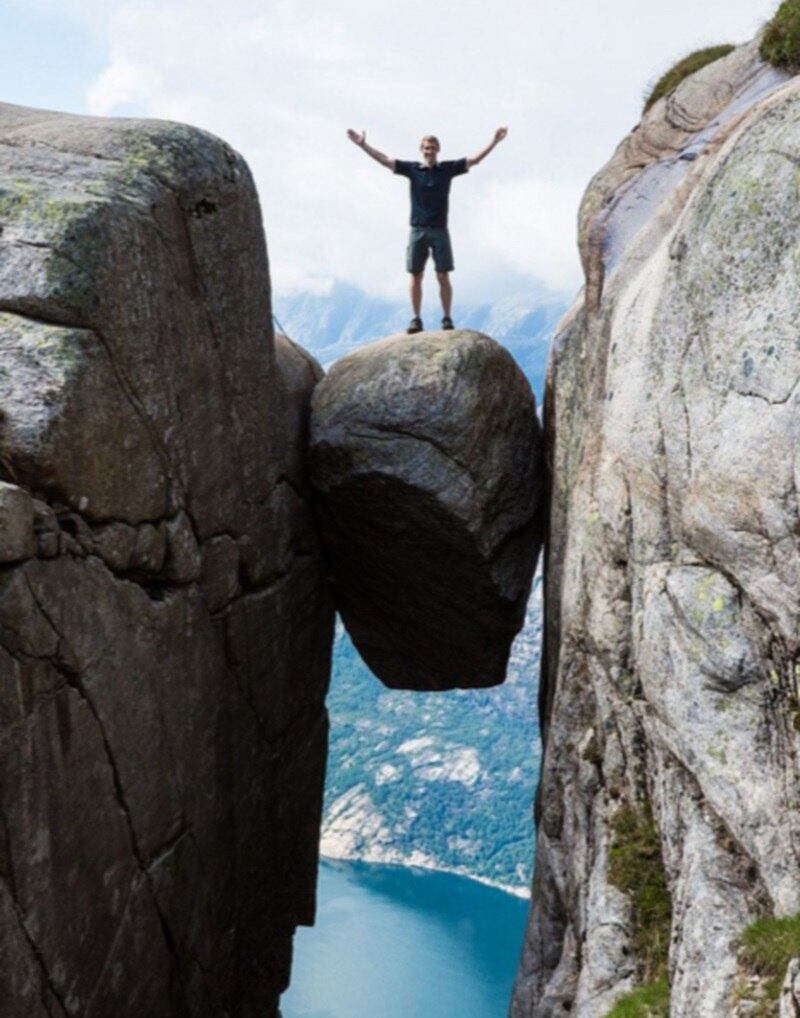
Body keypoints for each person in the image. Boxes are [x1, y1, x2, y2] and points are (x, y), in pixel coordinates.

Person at [346, 127, 508, 333]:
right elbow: (384, 159)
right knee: (415, 275)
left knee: (443, 275)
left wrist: (494, 142)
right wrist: (363, 145)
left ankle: (447, 318)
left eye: (432, 148)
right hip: (418, 230)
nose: (429, 151)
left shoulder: (447, 169)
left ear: (438, 150)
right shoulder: (413, 169)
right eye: (426, 148)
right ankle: (416, 319)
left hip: (440, 230)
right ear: (420, 150)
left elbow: (474, 160)